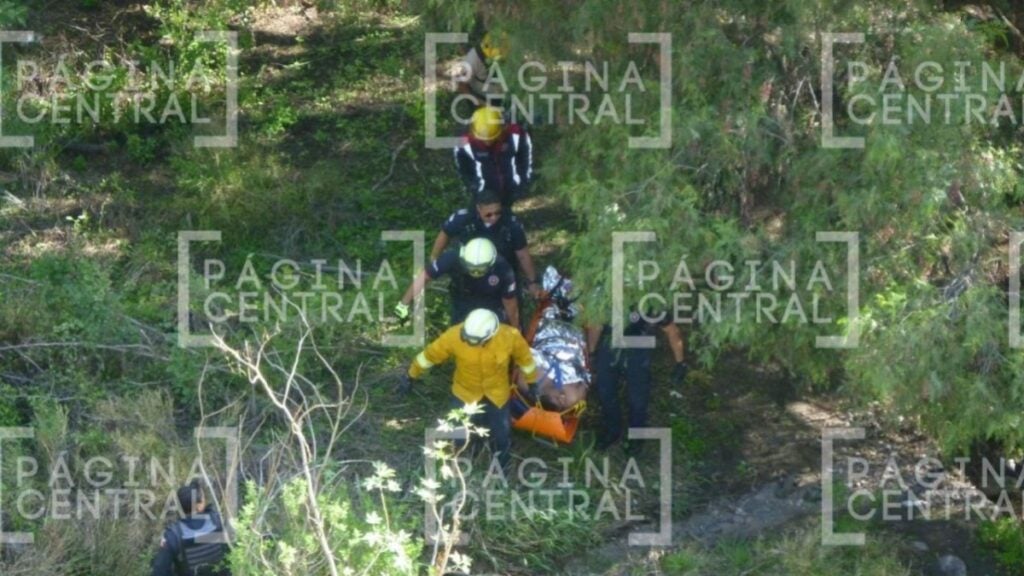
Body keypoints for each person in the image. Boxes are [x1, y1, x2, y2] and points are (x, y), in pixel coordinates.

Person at [398, 308, 537, 469]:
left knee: (501, 437)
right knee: (457, 435)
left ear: (489, 336)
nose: (468, 342)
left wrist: (532, 382)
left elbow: (526, 359)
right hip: (464, 393)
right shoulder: (453, 336)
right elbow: (429, 356)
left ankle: (502, 470)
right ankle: (455, 465)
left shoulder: (510, 336)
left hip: (497, 394)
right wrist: (411, 375)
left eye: (474, 341)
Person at [586, 307, 687, 453]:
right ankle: (612, 430)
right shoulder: (607, 294)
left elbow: (671, 329)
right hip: (609, 345)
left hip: (638, 349)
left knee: (638, 398)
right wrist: (592, 353)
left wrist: (680, 363)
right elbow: (596, 325)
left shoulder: (649, 302)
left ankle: (637, 436)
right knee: (606, 392)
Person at [430, 189, 542, 299]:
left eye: (497, 213)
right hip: (468, 275)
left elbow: (522, 254)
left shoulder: (511, 224)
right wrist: (434, 259)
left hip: (502, 276)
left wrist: (533, 282)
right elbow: (445, 233)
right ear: (478, 208)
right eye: (488, 215)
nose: (493, 218)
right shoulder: (463, 218)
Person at [395, 237, 519, 328]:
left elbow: (509, 302)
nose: (475, 273)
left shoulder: (503, 269)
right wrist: (403, 304)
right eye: (471, 267)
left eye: (480, 269)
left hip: (492, 302)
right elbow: (425, 276)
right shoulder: (451, 258)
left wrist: (515, 329)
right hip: (462, 299)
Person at [454, 106, 533, 209]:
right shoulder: (464, 143)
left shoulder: (516, 134)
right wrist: (475, 188)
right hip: (483, 193)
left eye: (491, 138)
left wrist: (521, 182)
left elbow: (525, 159)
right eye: (483, 139)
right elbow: (464, 170)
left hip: (510, 188)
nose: (487, 142)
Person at [151, 479, 231, 576]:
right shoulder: (218, 520)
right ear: (199, 506)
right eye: (203, 497)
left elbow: (159, 571)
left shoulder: (173, 535)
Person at [454, 31, 508, 110]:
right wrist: (481, 103)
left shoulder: (503, 44)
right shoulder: (472, 61)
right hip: (487, 99)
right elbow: (461, 86)